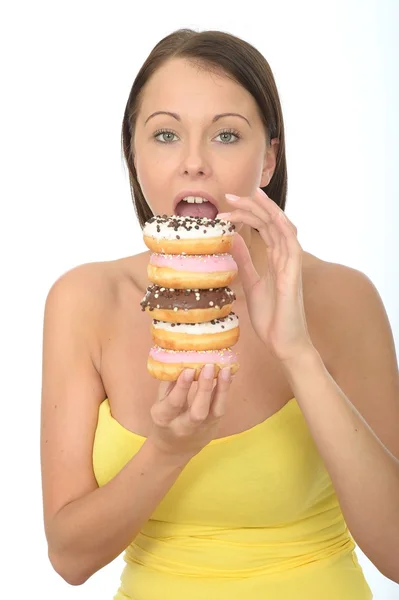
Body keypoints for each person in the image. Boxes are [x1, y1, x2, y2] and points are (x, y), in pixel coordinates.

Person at [40, 28, 399, 599]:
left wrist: (297, 352)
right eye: (165, 134)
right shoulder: (83, 301)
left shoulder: (342, 298)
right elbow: (68, 558)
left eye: (227, 135)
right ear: (133, 155)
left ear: (267, 161)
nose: (194, 163)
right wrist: (167, 451)